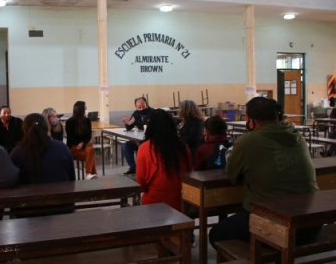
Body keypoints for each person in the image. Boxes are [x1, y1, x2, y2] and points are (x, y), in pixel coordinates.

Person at [209, 97, 320, 248]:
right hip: (311, 224)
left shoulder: (247, 141)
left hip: (277, 225)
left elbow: (232, 176)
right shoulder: (297, 137)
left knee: (216, 234)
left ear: (252, 122)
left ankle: (259, 255)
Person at [135, 109, 192, 211]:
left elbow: (141, 183)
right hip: (180, 202)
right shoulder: (183, 146)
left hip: (154, 203)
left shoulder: (145, 148)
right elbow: (189, 171)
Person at [10, 113, 75, 184]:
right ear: (47, 128)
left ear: (24, 130)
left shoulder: (17, 152)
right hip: (61, 193)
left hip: (29, 194)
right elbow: (72, 177)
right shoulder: (62, 148)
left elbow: (10, 179)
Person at [121, 97, 154, 175]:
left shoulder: (152, 112)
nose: (142, 109)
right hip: (139, 140)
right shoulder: (136, 113)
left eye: (143, 106)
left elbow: (146, 125)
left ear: (146, 104)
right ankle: (133, 168)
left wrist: (136, 122)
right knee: (126, 146)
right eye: (139, 107)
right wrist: (128, 123)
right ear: (136, 107)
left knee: (141, 148)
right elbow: (129, 127)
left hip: (150, 140)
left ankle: (143, 169)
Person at [65, 101, 98, 180]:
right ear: (81, 110)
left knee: (90, 150)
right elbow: (70, 137)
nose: (86, 109)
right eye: (85, 108)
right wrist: (79, 143)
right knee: (91, 155)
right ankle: (92, 174)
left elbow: (88, 135)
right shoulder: (69, 122)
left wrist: (83, 143)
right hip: (74, 146)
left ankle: (88, 173)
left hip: (85, 144)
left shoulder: (87, 121)